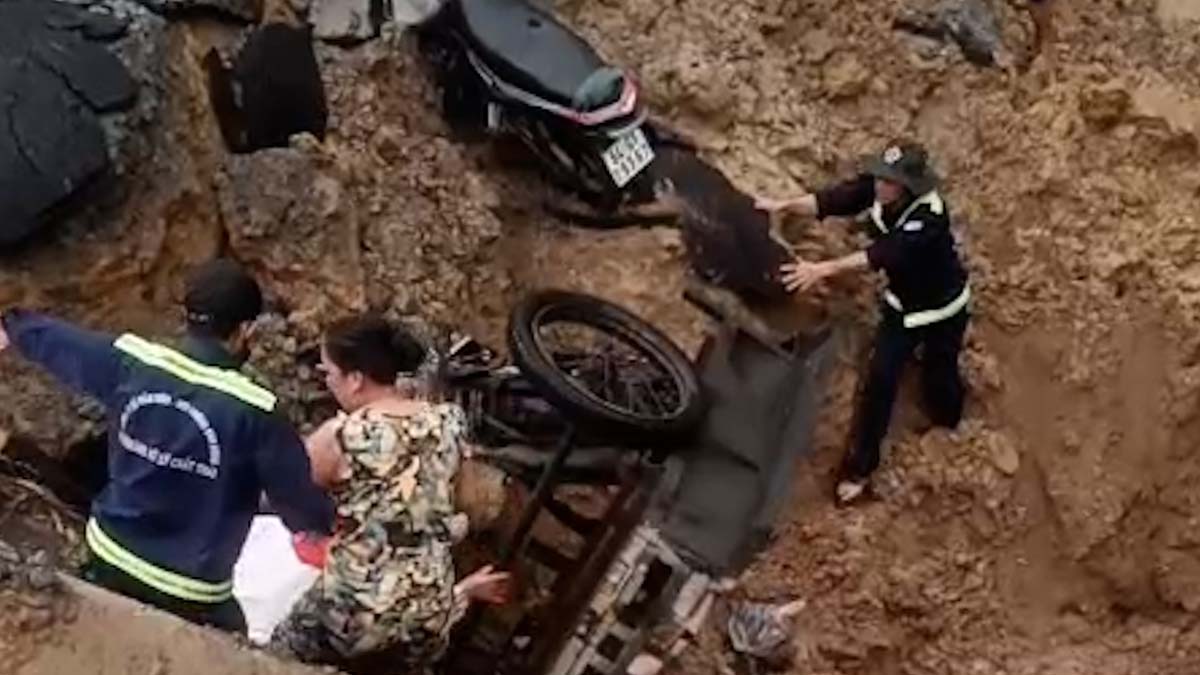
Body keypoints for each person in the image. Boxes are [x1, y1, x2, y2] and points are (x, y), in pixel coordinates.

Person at [0, 258, 335, 632]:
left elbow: (64, 344)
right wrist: (325, 524)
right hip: (190, 590)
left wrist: (15, 326)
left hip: (109, 558)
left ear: (188, 316)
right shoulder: (257, 412)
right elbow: (299, 505)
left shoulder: (133, 363)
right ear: (245, 331)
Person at [271, 314, 512, 673]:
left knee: (273, 656)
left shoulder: (344, 435)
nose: (328, 383)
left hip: (354, 610)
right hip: (428, 613)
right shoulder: (449, 421)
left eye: (329, 374)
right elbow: (454, 497)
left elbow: (289, 489)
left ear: (355, 380)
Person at [756, 142, 970, 505]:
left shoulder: (929, 218)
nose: (881, 186)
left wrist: (819, 269)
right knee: (880, 381)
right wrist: (784, 204)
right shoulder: (877, 190)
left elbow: (880, 256)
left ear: (909, 187)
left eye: (891, 182)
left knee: (941, 376)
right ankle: (861, 469)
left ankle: (951, 426)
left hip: (940, 309)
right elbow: (834, 200)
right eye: (882, 177)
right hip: (902, 305)